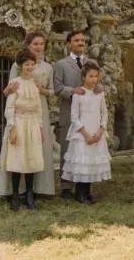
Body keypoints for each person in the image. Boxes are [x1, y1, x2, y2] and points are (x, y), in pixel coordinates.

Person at [0, 33, 55, 199]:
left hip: (38, 109)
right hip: (20, 110)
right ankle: (16, 191)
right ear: (28, 45)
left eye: (41, 44)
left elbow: (52, 90)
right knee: (19, 148)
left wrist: (41, 90)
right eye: (35, 44)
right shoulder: (18, 65)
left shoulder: (47, 67)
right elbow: (10, 89)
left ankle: (39, 188)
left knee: (38, 148)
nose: (38, 47)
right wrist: (8, 91)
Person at [0, 50, 44, 211]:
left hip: (32, 125)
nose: (30, 67)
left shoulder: (35, 84)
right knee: (17, 159)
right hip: (18, 123)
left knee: (31, 158)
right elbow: (9, 108)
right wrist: (12, 128)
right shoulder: (15, 84)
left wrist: (40, 127)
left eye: (32, 64)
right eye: (27, 65)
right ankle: (15, 194)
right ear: (20, 66)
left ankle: (29, 194)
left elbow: (38, 108)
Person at [61, 59, 111, 204]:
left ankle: (88, 192)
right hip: (82, 133)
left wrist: (101, 130)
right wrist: (86, 135)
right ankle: (79, 193)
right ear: (84, 77)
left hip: (96, 131)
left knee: (91, 161)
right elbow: (74, 116)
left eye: (96, 76)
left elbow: (104, 113)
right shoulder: (78, 94)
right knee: (82, 161)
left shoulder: (99, 94)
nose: (94, 79)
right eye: (91, 76)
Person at [53, 30, 87, 200]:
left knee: (84, 149)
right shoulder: (61, 64)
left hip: (87, 114)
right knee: (67, 149)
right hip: (68, 111)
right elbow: (57, 88)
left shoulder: (91, 62)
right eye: (76, 40)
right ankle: (66, 186)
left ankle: (84, 184)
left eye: (82, 40)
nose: (80, 42)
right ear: (69, 44)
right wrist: (72, 91)